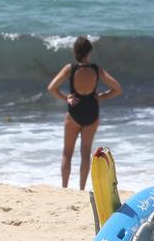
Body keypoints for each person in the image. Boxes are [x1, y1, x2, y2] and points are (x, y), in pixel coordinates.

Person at [47, 37, 122, 190]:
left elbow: (52, 87)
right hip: (92, 112)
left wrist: (66, 98)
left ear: (75, 52)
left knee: (67, 154)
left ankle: (65, 188)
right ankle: (81, 189)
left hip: (74, 112)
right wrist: (101, 96)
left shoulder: (71, 68)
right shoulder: (96, 69)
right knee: (85, 153)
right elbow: (117, 89)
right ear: (89, 52)